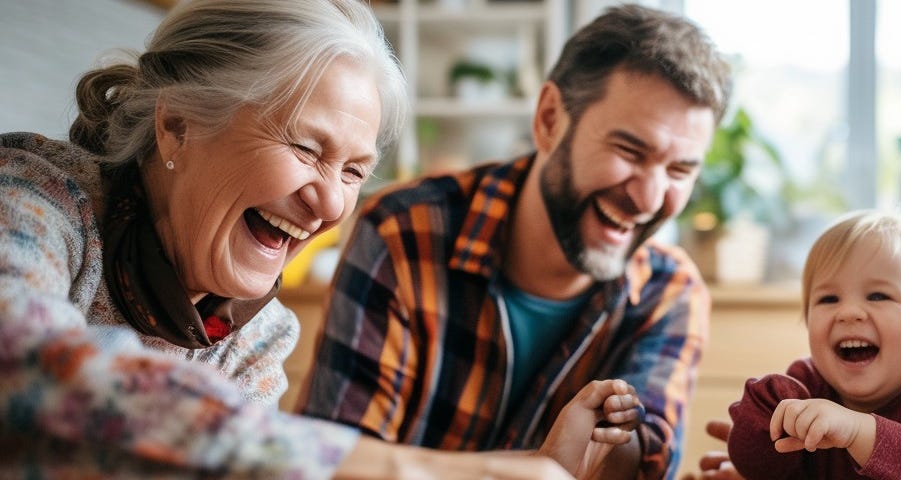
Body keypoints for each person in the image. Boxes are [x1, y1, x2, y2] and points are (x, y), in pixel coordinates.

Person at [0, 0, 577, 477]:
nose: (330, 204)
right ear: (179, 125)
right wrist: (404, 470)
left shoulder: (258, 337)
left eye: (353, 171)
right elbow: (25, 367)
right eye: (306, 148)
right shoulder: (32, 197)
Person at [299, 4, 731, 479]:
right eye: (629, 150)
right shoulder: (406, 232)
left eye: (679, 170)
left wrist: (610, 447)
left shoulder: (669, 294)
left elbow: (644, 461)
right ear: (549, 119)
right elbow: (334, 462)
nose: (648, 198)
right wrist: (541, 468)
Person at [726, 207, 901, 479]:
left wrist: (857, 431)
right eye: (829, 299)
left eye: (877, 296)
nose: (848, 313)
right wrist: (760, 416)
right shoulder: (806, 384)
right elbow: (760, 468)